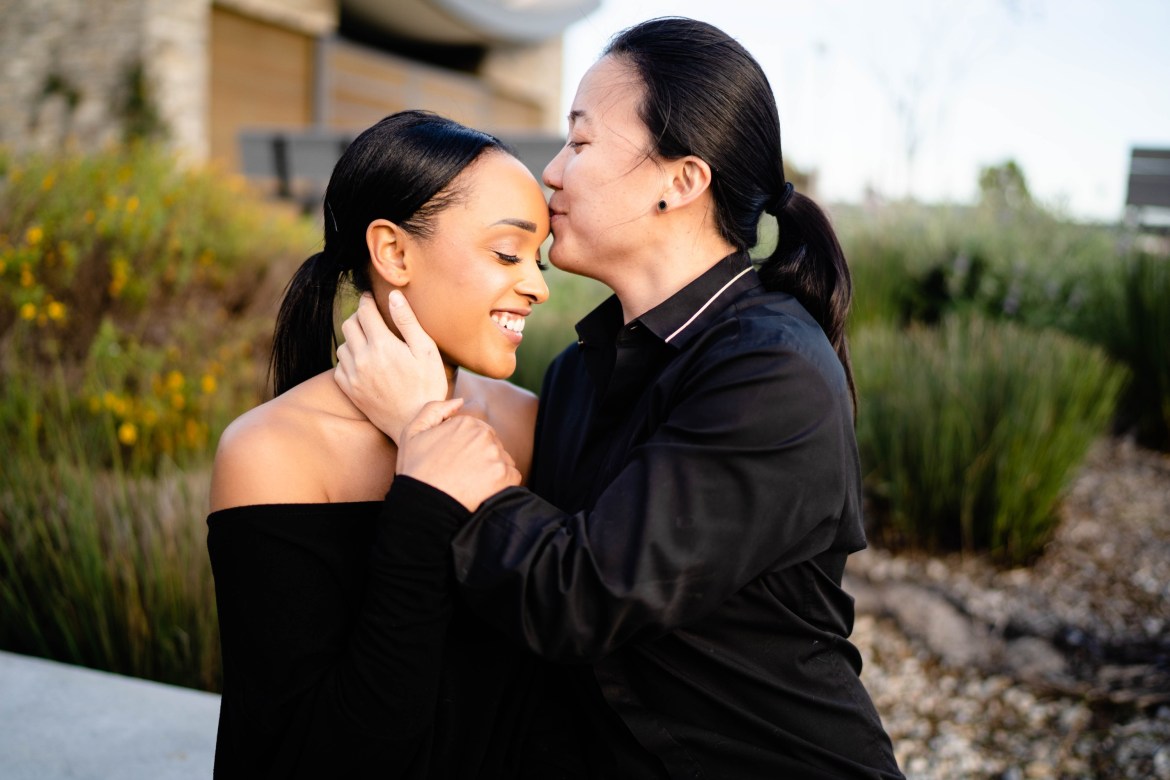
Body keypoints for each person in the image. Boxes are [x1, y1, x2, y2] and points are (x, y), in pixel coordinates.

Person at [336, 17, 904, 780]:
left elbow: (579, 597)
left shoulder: (774, 373)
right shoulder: (578, 374)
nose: (552, 172)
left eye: (581, 141)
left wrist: (423, 425)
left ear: (682, 181)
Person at [206, 110, 558, 778]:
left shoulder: (530, 423)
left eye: (537, 259)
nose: (538, 286)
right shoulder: (272, 453)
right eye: (508, 253)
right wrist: (427, 489)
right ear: (394, 253)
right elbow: (318, 755)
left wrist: (425, 429)